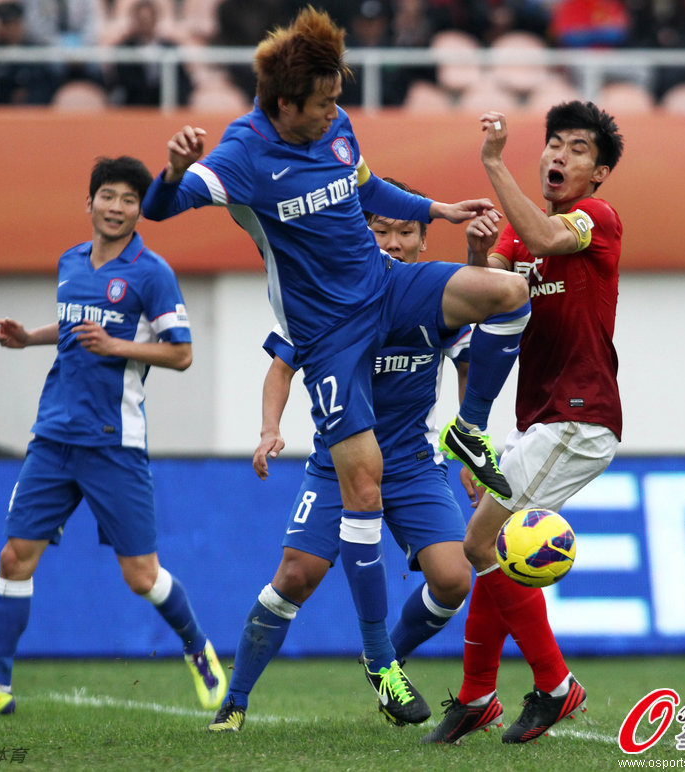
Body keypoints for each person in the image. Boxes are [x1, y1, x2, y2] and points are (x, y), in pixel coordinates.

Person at [140, 5, 530, 725]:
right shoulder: (243, 155)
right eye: (322, 103)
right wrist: (171, 173)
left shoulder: (337, 128)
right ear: (284, 104)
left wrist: (436, 209)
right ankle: (380, 664)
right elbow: (163, 211)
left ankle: (468, 432)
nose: (334, 113)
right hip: (329, 337)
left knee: (509, 290)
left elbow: (365, 185)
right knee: (359, 482)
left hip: (387, 290)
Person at [0, 156, 226, 719]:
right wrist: (30, 338)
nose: (116, 207)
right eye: (108, 196)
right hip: (53, 436)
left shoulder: (152, 272)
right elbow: (77, 325)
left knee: (141, 576)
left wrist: (118, 347)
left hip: (113, 442)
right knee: (13, 557)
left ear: (139, 209)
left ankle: (198, 649)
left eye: (128, 199)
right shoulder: (70, 262)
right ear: (90, 203)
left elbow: (182, 353)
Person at [208, 178, 476, 732]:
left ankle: (384, 663)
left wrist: (473, 440)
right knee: (296, 575)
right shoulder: (325, 296)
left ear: (424, 243)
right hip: (338, 465)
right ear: (361, 232)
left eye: (407, 232)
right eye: (382, 229)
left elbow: (471, 358)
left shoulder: (432, 297)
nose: (394, 242)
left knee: (453, 580)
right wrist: (268, 429)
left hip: (410, 463)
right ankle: (234, 702)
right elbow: (282, 365)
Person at [422, 101, 624, 745]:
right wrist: (478, 254)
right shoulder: (518, 237)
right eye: (554, 143)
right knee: (489, 552)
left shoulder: (596, 218)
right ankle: (479, 696)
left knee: (481, 546)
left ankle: (557, 686)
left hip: (579, 417)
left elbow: (543, 239)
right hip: (536, 421)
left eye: (578, 149)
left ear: (600, 174)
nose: (559, 155)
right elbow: (489, 303)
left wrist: (490, 162)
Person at [108, 0, 193, 107]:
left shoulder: (170, 47)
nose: (145, 23)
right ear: (135, 20)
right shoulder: (124, 47)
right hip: (135, 104)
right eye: (142, 19)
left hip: (165, 103)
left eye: (148, 18)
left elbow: (183, 79)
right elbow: (121, 80)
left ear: (155, 19)